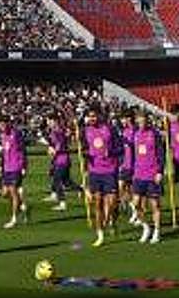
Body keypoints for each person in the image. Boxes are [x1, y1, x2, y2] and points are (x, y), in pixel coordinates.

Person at [82, 105, 122, 248]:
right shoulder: (85, 130)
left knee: (111, 202)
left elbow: (120, 148)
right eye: (89, 116)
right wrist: (85, 155)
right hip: (95, 171)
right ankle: (100, 234)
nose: (91, 119)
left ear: (99, 116)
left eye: (94, 116)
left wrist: (110, 152)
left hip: (110, 170)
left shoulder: (109, 129)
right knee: (97, 202)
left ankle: (109, 220)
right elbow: (84, 149)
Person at [130, 109, 164, 244]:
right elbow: (132, 154)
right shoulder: (135, 134)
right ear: (137, 120)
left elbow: (161, 154)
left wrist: (160, 171)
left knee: (155, 205)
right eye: (139, 119)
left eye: (144, 119)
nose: (142, 122)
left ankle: (157, 231)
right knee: (136, 204)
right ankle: (146, 227)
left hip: (152, 174)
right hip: (138, 174)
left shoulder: (154, 134)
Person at [0, 119, 29, 228]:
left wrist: (24, 166)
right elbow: (4, 152)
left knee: (13, 191)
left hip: (16, 166)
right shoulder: (2, 136)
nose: (1, 126)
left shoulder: (16, 134)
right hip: (7, 168)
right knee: (5, 193)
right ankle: (22, 206)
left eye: (3, 124)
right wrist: (1, 165)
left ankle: (14, 219)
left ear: (8, 124)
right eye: (0, 124)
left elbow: (23, 150)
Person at [46, 116, 74, 211]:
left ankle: (62, 203)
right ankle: (83, 191)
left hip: (62, 160)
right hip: (58, 159)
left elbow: (60, 144)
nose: (48, 122)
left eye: (50, 120)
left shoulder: (58, 131)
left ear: (55, 121)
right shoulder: (54, 131)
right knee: (66, 181)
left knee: (57, 180)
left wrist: (54, 150)